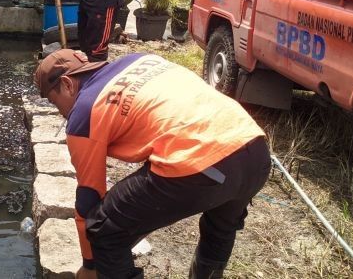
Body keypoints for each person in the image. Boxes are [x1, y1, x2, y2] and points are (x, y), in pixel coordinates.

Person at [33, 49, 272, 279]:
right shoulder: (139, 60)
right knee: (220, 226)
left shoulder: (83, 114)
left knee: (103, 229)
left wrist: (90, 266)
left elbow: (89, 198)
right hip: (254, 148)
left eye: (56, 103)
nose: (61, 113)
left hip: (202, 162)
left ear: (67, 83)